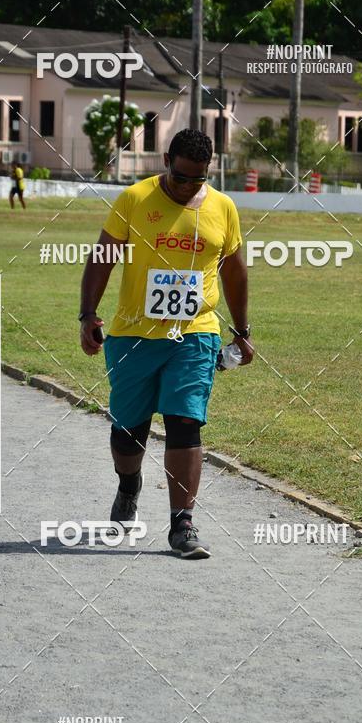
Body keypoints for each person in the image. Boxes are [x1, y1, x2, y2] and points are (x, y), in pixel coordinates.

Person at [79, 128, 253, 559]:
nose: (189, 186)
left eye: (198, 179)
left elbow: (233, 270)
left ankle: (183, 524)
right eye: (181, 177)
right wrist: (88, 314)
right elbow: (104, 256)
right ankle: (129, 485)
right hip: (133, 333)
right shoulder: (134, 199)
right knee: (128, 431)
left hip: (194, 333)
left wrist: (242, 331)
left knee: (185, 422)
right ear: (165, 161)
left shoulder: (222, 208)